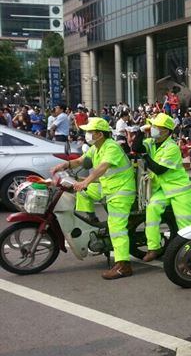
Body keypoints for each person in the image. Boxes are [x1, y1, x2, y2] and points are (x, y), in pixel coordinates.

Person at [51, 117, 136, 279]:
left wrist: (86, 181)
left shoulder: (111, 147)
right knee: (81, 192)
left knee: (116, 227)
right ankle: (90, 224)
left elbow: (103, 167)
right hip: (105, 187)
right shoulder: (95, 148)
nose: (87, 134)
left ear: (100, 134)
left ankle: (124, 265)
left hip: (121, 191)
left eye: (90, 132)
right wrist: (64, 165)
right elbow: (81, 161)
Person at [138, 113, 191, 262]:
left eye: (157, 127)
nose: (153, 128)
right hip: (162, 190)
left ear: (166, 131)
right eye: (153, 125)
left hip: (179, 190)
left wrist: (145, 155)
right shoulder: (151, 142)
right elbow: (136, 147)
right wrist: (140, 131)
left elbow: (159, 169)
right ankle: (154, 247)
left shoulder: (171, 147)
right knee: (152, 209)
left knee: (185, 223)